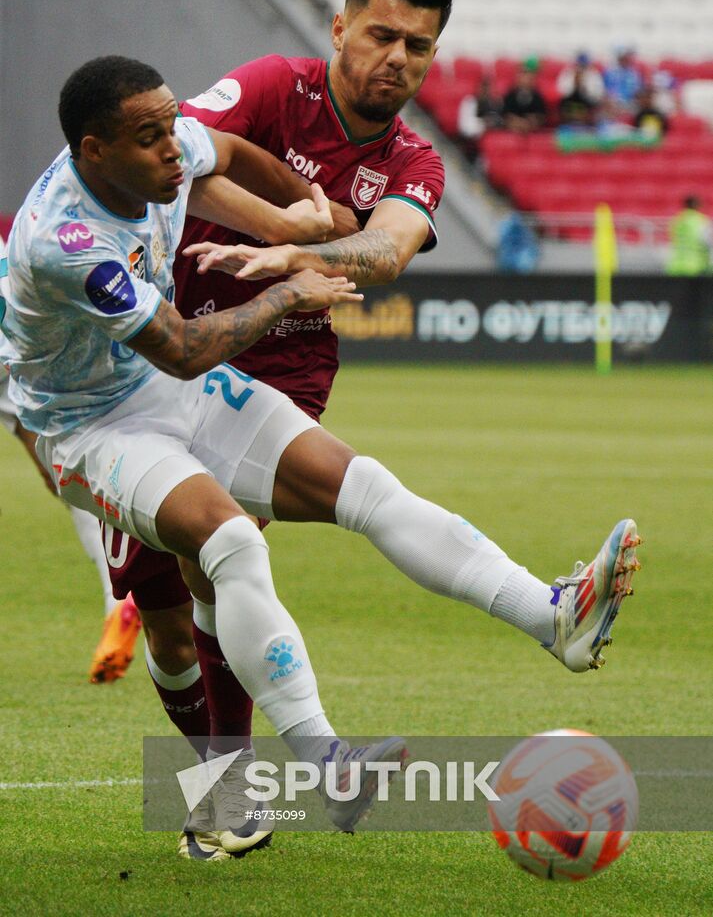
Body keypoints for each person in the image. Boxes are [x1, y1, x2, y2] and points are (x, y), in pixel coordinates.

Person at [1, 55, 641, 859]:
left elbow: (225, 154)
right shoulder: (64, 243)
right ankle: (287, 770)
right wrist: (288, 290)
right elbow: (182, 349)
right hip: (92, 426)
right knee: (205, 571)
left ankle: (552, 618)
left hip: (167, 388)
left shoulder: (168, 148)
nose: (175, 147)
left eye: (171, 126)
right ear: (95, 151)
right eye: (150, 137)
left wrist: (291, 217)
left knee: (360, 487)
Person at [103, 0, 455, 861]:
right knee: (163, 604)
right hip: (162, 348)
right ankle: (219, 780)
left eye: (418, 45)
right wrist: (287, 231)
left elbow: (387, 246)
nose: (397, 57)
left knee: (225, 550)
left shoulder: (414, 160)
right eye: (381, 34)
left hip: (286, 361)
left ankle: (243, 790)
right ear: (339, 29)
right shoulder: (270, 87)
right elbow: (180, 158)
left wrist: (318, 249)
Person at [0, 258, 142, 684]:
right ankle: (119, 597)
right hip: (18, 342)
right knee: (64, 474)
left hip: (15, 344)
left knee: (67, 473)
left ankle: (123, 593)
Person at [457, 75, 502, 161]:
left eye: (488, 89)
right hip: (471, 145)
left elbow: (499, 122)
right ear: (478, 88)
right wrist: (484, 123)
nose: (485, 91)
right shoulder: (469, 102)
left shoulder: (494, 104)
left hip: (490, 143)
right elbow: (465, 128)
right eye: (483, 88)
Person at [666, 195, 712, 274]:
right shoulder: (701, 221)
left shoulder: (677, 220)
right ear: (696, 205)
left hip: (676, 265)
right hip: (696, 266)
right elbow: (707, 242)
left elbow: (673, 238)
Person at [501, 61, 547, 134]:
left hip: (531, 129)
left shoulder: (538, 97)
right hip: (513, 129)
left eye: (529, 76)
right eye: (523, 75)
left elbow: (541, 116)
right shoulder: (510, 96)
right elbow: (505, 115)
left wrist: (529, 122)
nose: (526, 79)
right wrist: (517, 122)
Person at [603, 46, 644, 116]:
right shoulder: (610, 72)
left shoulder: (634, 74)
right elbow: (606, 89)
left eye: (626, 58)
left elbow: (638, 90)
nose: (625, 60)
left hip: (630, 103)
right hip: (614, 102)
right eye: (623, 58)